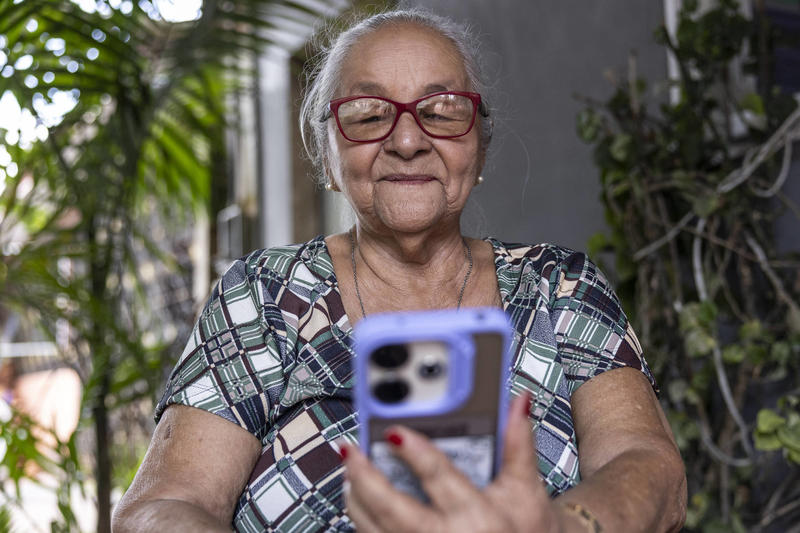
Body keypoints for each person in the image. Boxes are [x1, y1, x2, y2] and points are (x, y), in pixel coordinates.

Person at [112, 8, 687, 533]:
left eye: (440, 111)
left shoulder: (561, 288)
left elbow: (650, 468)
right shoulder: (264, 297)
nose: (408, 140)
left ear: (479, 150)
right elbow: (161, 508)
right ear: (329, 156)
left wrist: (559, 528)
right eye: (367, 115)